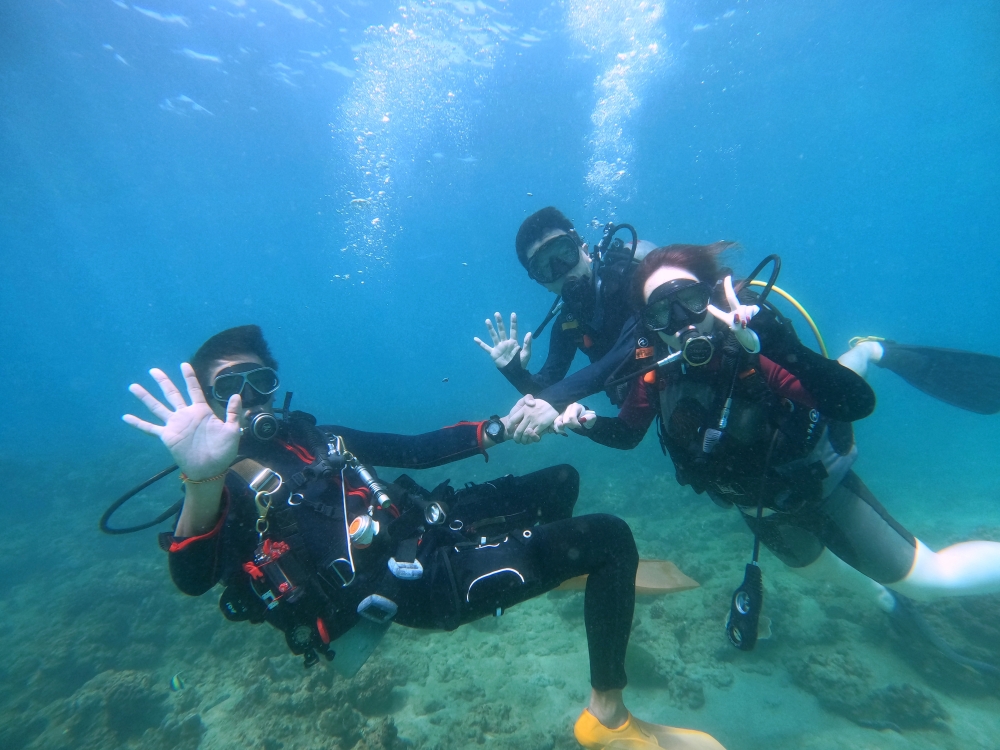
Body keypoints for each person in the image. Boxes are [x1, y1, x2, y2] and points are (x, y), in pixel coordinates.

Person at [123, 325, 726, 750]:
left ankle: (569, 580)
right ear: (202, 401)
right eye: (230, 387)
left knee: (561, 480)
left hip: (425, 527)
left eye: (260, 380)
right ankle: (608, 717)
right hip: (411, 586)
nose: (249, 399)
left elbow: (413, 450)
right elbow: (193, 579)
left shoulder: (314, 435)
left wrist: (500, 428)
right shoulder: (217, 481)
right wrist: (200, 477)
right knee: (612, 539)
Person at [545, 244, 1000, 612]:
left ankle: (869, 352)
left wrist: (774, 341)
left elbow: (851, 403)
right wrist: (586, 422)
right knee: (814, 569)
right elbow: (627, 434)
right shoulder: (654, 370)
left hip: (818, 483)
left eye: (691, 300)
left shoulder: (753, 348)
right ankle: (881, 600)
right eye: (662, 313)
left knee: (930, 582)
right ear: (648, 327)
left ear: (713, 297)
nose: (682, 322)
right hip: (757, 507)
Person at [475, 207, 655, 410]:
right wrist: (514, 372)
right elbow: (544, 391)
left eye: (565, 253)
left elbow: (628, 349)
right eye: (545, 268)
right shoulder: (569, 324)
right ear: (542, 283)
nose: (561, 270)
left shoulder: (632, 281)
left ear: (584, 250)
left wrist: (558, 397)